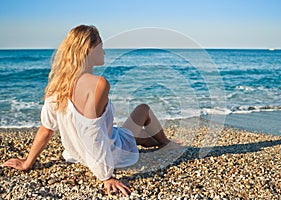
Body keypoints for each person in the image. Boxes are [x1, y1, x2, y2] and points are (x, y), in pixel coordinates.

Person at [2, 25, 177, 196]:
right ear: (89, 48)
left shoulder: (58, 85)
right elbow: (92, 133)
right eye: (101, 46)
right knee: (143, 109)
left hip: (79, 154)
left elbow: (46, 129)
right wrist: (106, 176)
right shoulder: (98, 84)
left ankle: (146, 140)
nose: (104, 52)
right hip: (109, 153)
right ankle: (166, 144)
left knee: (130, 134)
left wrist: (27, 163)